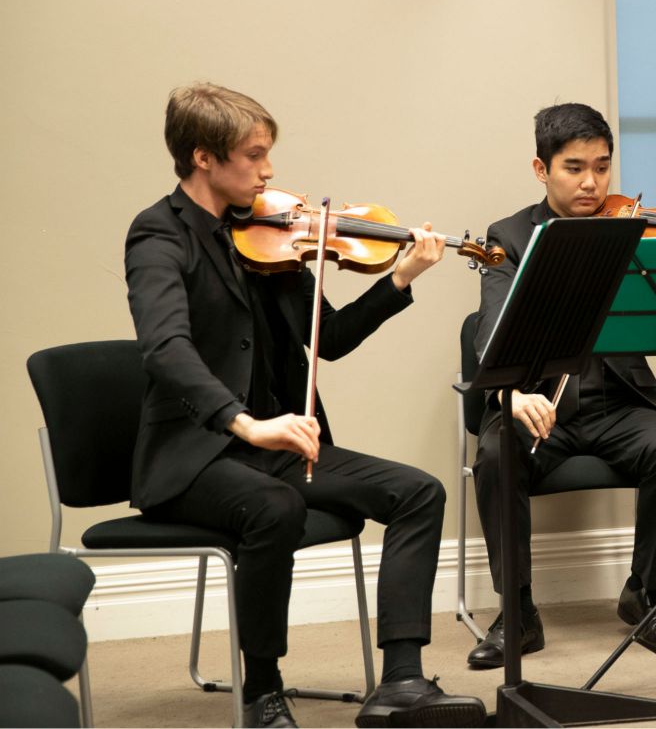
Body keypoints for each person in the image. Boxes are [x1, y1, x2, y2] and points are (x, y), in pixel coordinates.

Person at [124, 83, 485, 728]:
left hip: (280, 445)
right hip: (197, 457)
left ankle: (401, 678)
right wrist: (247, 423)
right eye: (255, 156)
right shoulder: (158, 235)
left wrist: (401, 279)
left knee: (420, 492)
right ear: (204, 157)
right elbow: (165, 349)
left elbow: (334, 339)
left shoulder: (273, 240)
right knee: (275, 506)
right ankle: (263, 688)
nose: (269, 172)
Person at [466, 102, 656, 668]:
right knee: (496, 455)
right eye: (574, 167)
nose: (591, 182)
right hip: (537, 402)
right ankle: (519, 612)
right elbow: (491, 327)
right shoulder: (508, 235)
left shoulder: (632, 228)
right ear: (540, 169)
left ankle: (645, 594)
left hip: (618, 399)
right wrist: (511, 394)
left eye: (602, 167)